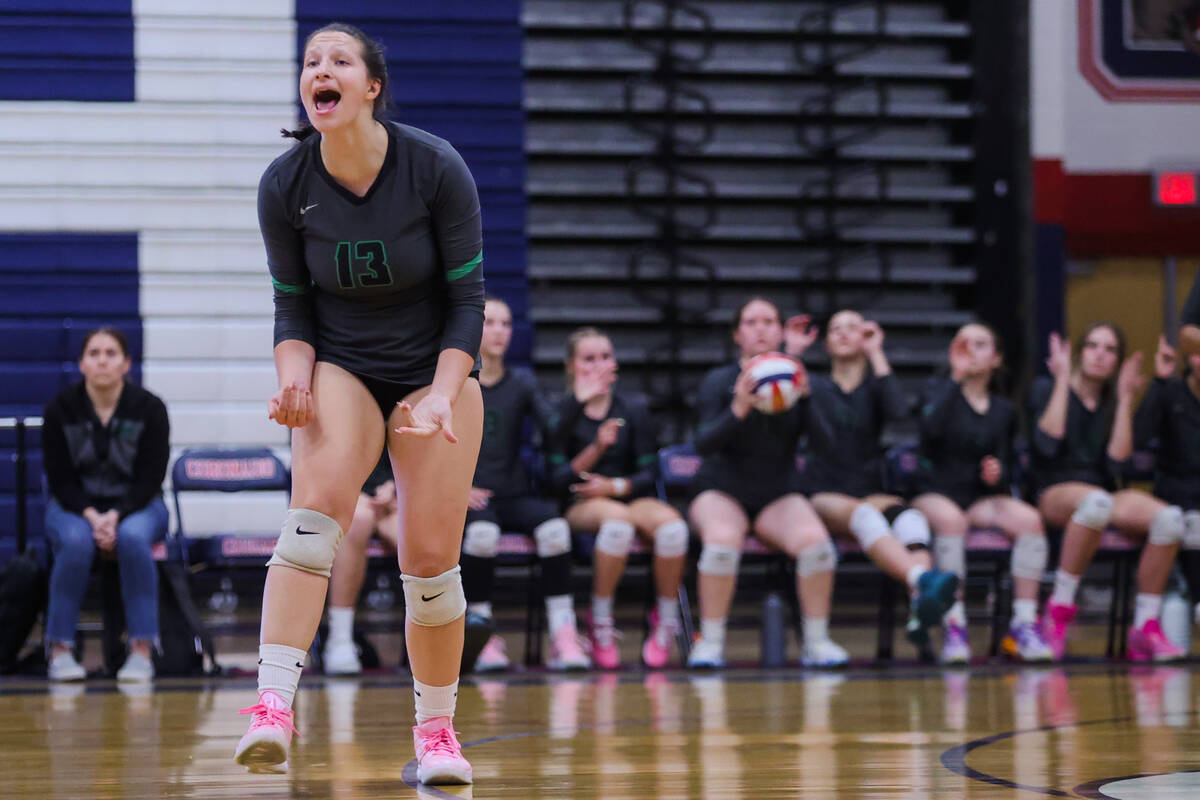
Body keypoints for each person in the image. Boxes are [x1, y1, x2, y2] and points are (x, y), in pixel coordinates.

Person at [234, 23, 485, 785]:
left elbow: (467, 303)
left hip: (429, 372)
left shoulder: (435, 166)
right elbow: (292, 312)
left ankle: (438, 734)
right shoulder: (286, 184)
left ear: (371, 86)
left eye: (338, 60)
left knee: (431, 565)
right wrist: (293, 378)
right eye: (311, 61)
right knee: (313, 524)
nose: (321, 70)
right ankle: (272, 706)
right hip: (339, 363)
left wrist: (444, 396)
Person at [686, 298, 848, 668]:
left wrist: (805, 402)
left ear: (780, 331)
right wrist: (738, 408)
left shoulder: (799, 379)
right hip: (722, 488)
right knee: (723, 543)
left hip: (776, 491)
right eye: (751, 321)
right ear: (737, 334)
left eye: (769, 321)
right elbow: (702, 444)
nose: (760, 328)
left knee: (817, 546)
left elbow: (827, 446)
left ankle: (817, 642)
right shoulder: (719, 380)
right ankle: (710, 643)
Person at [793, 310, 958, 659]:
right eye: (834, 328)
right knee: (866, 515)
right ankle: (923, 582)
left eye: (853, 327)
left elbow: (900, 415)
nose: (843, 333)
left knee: (912, 520)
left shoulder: (874, 386)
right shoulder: (816, 385)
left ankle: (919, 615)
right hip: (823, 492)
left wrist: (877, 353)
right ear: (825, 343)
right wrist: (793, 352)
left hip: (868, 487)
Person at [1032, 324, 1184, 662]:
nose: (1101, 354)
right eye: (1093, 346)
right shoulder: (1046, 388)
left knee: (1170, 519)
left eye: (1110, 349)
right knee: (1096, 503)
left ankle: (1145, 626)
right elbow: (1047, 445)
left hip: (1100, 495)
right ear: (1078, 353)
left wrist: (1126, 399)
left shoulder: (1113, 400)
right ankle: (1057, 612)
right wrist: (1061, 381)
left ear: (1117, 361)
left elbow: (1118, 462)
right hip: (1054, 491)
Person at [909, 323, 1054, 663]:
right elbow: (929, 431)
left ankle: (1023, 623)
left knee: (1030, 520)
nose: (972, 350)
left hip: (976, 497)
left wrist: (996, 473)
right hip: (933, 493)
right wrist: (955, 379)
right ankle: (955, 625)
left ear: (997, 358)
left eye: (981, 344)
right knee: (951, 520)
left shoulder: (1003, 410)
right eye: (964, 344)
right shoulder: (938, 390)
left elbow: (1004, 465)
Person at [546, 328, 689, 669]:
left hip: (625, 495)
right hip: (579, 502)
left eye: (606, 357)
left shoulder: (633, 408)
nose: (599, 365)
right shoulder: (560, 410)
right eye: (588, 358)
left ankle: (665, 620)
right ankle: (600, 621)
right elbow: (555, 480)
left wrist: (616, 486)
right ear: (570, 366)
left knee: (674, 530)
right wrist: (595, 447)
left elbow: (651, 471)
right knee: (618, 525)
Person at [462, 297, 589, 672]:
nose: (500, 331)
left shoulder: (522, 381)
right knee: (482, 536)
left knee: (554, 529)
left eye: (506, 323)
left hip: (514, 493)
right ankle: (483, 636)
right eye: (491, 322)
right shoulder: (458, 383)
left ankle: (563, 636)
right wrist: (457, 490)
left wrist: (576, 402)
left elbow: (552, 430)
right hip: (471, 499)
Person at [41, 327, 170, 683]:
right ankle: (60, 650)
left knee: (131, 537)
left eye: (111, 353)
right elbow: (60, 479)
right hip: (75, 509)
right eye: (94, 353)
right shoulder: (60, 410)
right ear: (82, 363)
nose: (102, 360)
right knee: (76, 541)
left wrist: (114, 516)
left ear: (126, 363)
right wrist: (93, 516)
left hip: (139, 506)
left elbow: (150, 478)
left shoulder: (151, 408)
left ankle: (143, 650)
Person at [1134, 333, 1200, 626]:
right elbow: (1138, 437)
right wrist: (1158, 382)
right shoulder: (1171, 392)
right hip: (1177, 498)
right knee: (1193, 524)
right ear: (1189, 358)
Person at [321, 452, 397, 674]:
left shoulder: (404, 415)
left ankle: (448, 629)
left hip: (395, 494)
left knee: (413, 532)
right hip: (341, 491)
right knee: (357, 520)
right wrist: (351, 491)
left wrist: (396, 485)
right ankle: (340, 639)